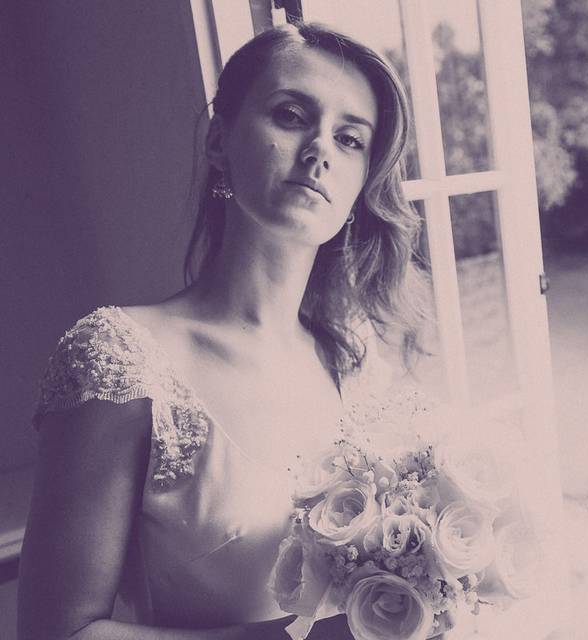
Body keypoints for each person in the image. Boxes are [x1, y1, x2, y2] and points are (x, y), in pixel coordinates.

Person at [17, 21, 431, 640]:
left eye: (350, 140)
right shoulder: (120, 356)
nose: (320, 149)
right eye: (291, 115)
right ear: (219, 140)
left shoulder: (354, 358)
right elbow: (55, 632)